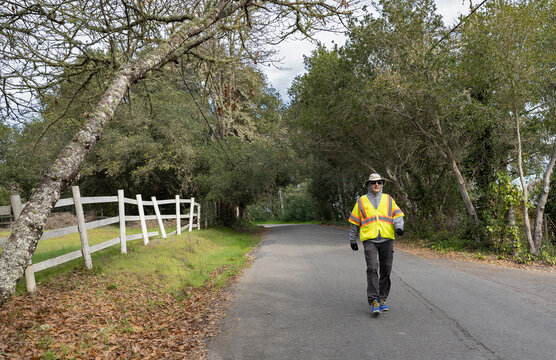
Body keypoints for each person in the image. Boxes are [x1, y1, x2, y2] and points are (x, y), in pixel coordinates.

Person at [348, 173, 404, 315]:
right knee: (372, 268)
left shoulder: (388, 199)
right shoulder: (361, 201)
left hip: (386, 239)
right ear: (369, 185)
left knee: (386, 269)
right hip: (370, 240)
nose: (376, 185)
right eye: (373, 183)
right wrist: (352, 239)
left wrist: (399, 227)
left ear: (382, 184)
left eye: (379, 182)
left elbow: (397, 215)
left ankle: (382, 298)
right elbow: (354, 222)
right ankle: (374, 300)